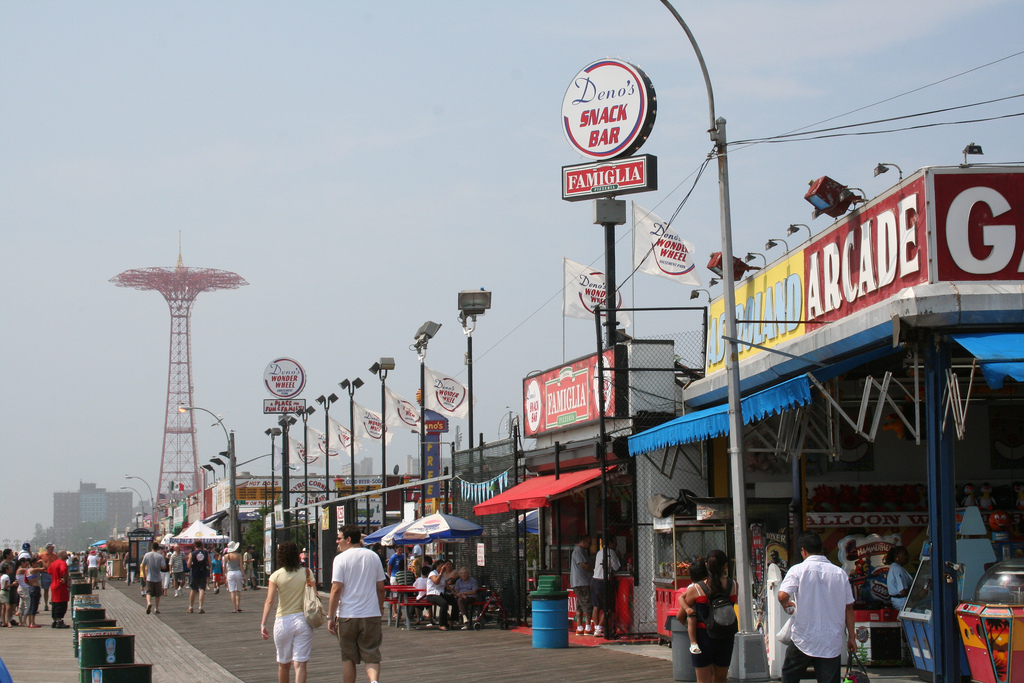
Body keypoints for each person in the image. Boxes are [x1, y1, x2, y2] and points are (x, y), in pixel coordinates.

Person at [778, 531, 855, 683]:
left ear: (803, 551)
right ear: (820, 549)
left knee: (789, 676)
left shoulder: (798, 570)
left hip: (804, 638)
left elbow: (782, 595)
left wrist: (787, 605)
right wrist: (852, 637)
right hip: (830, 640)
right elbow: (849, 609)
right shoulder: (840, 574)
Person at [327, 524, 386, 683]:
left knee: (348, 658)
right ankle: (374, 681)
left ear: (348, 539)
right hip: (371, 614)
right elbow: (381, 588)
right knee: (372, 655)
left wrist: (330, 617)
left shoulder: (340, 559)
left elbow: (336, 589)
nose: (337, 542)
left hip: (347, 616)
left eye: (339, 539)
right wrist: (379, 609)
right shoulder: (373, 556)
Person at [261, 541, 314, 683]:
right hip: (303, 620)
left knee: (284, 664)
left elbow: (269, 601)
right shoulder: (307, 573)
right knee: (300, 663)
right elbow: (314, 595)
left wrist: (263, 624)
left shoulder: (276, 576)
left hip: (283, 621)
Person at [681, 549, 736, 683]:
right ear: (725, 566)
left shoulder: (697, 589)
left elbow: (679, 615)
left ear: (706, 566)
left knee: (703, 680)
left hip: (703, 637)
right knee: (721, 679)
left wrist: (689, 625)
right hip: (726, 636)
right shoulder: (733, 585)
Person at [675, 557, 709, 655]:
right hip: (693, 612)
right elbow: (681, 598)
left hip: (696, 613)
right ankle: (693, 642)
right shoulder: (693, 588)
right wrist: (687, 608)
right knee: (692, 619)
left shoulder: (695, 586)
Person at [590, 540, 621, 637]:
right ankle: (599, 627)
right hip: (603, 581)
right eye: (614, 542)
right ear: (610, 543)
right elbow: (616, 567)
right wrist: (619, 556)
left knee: (596, 605)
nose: (616, 544)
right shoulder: (610, 552)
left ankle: (596, 627)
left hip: (594, 580)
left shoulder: (600, 552)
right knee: (608, 606)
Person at [424, 558, 457, 631]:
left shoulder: (443, 576)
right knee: (444, 603)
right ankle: (442, 624)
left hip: (441, 593)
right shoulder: (433, 573)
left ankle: (451, 620)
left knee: (455, 602)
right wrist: (441, 572)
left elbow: (446, 586)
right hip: (432, 594)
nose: (444, 568)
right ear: (437, 566)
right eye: (442, 566)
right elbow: (436, 582)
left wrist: (454, 592)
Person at [570, 535, 594, 635]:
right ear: (583, 542)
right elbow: (584, 565)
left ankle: (580, 627)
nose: (589, 545)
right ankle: (588, 627)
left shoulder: (578, 551)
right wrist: (594, 568)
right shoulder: (579, 551)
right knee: (587, 604)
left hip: (577, 582)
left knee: (579, 605)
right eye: (588, 543)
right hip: (582, 582)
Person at [139, 542, 165, 614]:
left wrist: (144, 575)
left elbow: (143, 565)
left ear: (151, 547)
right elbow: (164, 566)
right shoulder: (160, 556)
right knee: (158, 594)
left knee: (148, 592)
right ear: (157, 548)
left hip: (149, 577)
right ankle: (156, 608)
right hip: (158, 578)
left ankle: (149, 603)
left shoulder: (147, 555)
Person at [187, 539, 211, 614]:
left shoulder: (192, 553)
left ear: (194, 545)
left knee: (193, 589)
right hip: (203, 572)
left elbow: (188, 565)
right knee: (201, 589)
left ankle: (191, 607)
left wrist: (193, 565)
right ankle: (200, 607)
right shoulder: (205, 553)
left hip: (195, 573)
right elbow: (210, 564)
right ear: (201, 545)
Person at [885, 545, 912, 611]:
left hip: (899, 602)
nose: (907, 557)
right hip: (902, 603)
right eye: (904, 555)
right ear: (897, 556)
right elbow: (903, 591)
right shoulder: (898, 569)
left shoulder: (895, 567)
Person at [48, 550, 70, 629]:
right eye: (65, 553)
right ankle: (59, 620)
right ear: (61, 555)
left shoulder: (54, 563)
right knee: (61, 603)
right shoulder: (62, 563)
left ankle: (55, 620)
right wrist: (64, 579)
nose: (67, 555)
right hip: (60, 586)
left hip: (54, 584)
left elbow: (49, 571)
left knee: (55, 603)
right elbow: (63, 570)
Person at [224, 541, 245, 613]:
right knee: (238, 590)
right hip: (238, 572)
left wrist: (224, 575)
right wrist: (244, 575)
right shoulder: (239, 555)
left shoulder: (226, 556)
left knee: (232, 591)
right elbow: (241, 566)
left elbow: (224, 567)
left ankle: (234, 608)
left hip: (230, 573)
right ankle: (238, 606)